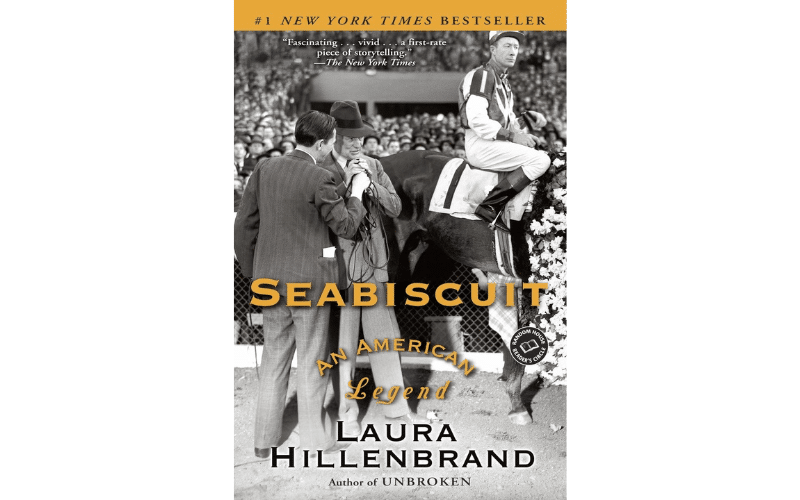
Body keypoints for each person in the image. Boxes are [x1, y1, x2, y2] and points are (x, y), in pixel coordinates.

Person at [234, 110, 372, 459]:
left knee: (274, 360)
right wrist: (356, 191)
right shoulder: (320, 176)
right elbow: (346, 226)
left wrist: (253, 275)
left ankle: (263, 441)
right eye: (332, 142)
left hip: (269, 282)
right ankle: (315, 441)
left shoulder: (264, 168)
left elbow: (245, 225)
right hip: (311, 285)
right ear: (323, 143)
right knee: (312, 362)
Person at [319, 101, 428, 435]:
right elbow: (320, 215)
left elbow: (395, 208)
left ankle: (396, 410)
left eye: (360, 137)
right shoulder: (319, 167)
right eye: (350, 137)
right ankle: (346, 414)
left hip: (375, 266)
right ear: (334, 137)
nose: (357, 143)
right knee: (344, 344)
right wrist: (348, 183)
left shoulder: (374, 165)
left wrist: (369, 183)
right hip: (339, 267)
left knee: (385, 339)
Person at [458, 31, 552, 232]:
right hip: (481, 144)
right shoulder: (483, 75)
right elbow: (477, 120)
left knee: (542, 154)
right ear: (493, 49)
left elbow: (507, 126)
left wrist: (526, 119)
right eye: (507, 46)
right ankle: (490, 206)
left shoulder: (504, 83)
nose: (513, 51)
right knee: (540, 161)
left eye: (516, 47)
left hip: (493, 143)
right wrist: (513, 136)